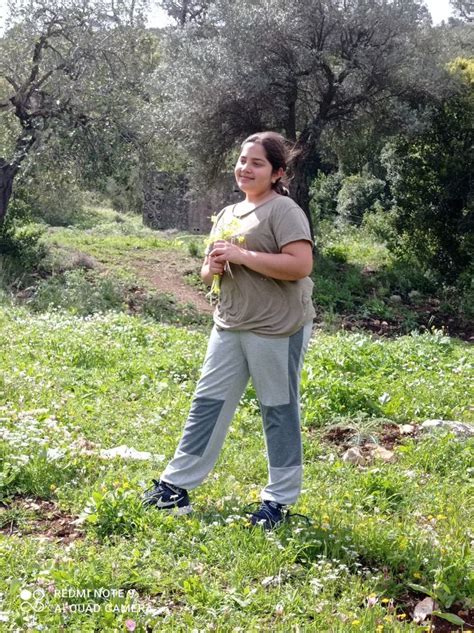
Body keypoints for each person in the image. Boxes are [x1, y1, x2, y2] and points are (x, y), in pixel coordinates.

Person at [143, 131, 316, 529]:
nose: (245, 168)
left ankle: (278, 502)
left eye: (256, 163)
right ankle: (174, 488)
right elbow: (207, 272)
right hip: (229, 323)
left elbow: (300, 265)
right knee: (207, 405)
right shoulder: (226, 214)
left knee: (277, 409)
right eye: (242, 160)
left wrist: (243, 255)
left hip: (276, 327)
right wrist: (214, 267)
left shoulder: (284, 211)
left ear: (277, 172)